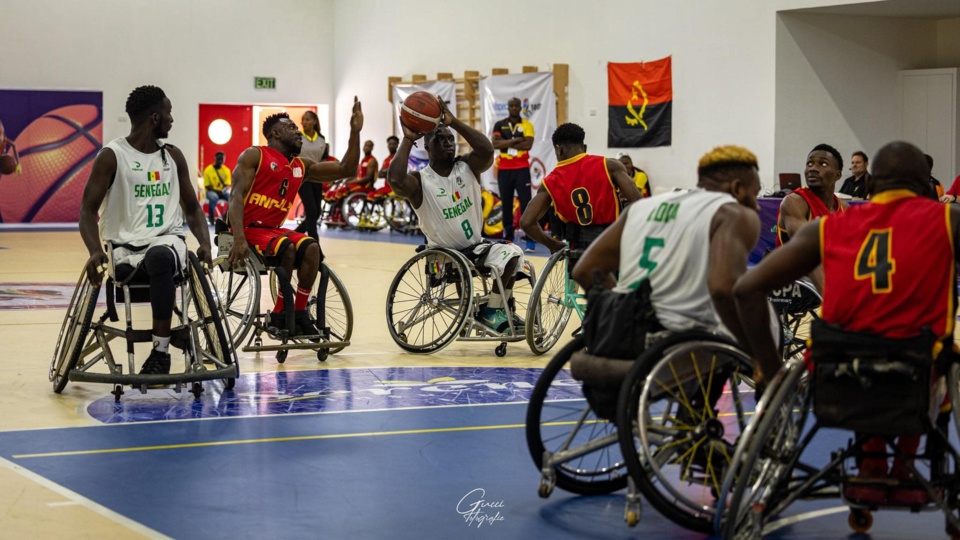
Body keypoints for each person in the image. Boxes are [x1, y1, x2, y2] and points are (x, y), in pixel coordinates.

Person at [733, 141, 957, 505]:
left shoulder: (826, 228)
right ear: (926, 188)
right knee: (932, 360)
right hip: (916, 372)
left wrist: (770, 369)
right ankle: (903, 470)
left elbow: (746, 289)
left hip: (837, 374)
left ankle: (871, 466)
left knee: (866, 361)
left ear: (869, 185)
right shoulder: (947, 220)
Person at [572, 145, 763, 351]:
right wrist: (759, 356)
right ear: (737, 188)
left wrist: (620, 306)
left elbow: (584, 270)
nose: (758, 206)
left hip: (622, 333)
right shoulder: (733, 214)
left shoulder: (640, 208)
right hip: (680, 338)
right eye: (756, 194)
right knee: (763, 315)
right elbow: (722, 291)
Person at [79, 85, 212, 375]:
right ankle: (166, 341)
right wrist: (94, 251)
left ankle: (160, 351)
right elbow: (87, 211)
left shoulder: (173, 157)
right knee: (154, 258)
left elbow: (192, 208)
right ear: (155, 117)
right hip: (123, 250)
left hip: (166, 242)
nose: (172, 119)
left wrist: (204, 243)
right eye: (169, 113)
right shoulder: (112, 156)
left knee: (160, 256)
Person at [226, 98, 363, 337]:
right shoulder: (255, 155)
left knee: (312, 247)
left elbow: (346, 170)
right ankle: (280, 313)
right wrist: (238, 238)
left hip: (273, 231)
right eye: (291, 128)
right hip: (247, 229)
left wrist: (355, 132)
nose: (298, 132)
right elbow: (236, 196)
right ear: (276, 133)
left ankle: (299, 312)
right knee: (286, 247)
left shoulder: (301, 166)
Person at [388, 96, 524, 331]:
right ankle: (492, 311)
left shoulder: (467, 166)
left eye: (450, 139)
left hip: (475, 249)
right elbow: (395, 180)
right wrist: (409, 139)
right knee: (509, 254)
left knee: (516, 255)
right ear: (427, 146)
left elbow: (487, 150)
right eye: (440, 139)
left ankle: (500, 308)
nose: (448, 143)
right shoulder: (420, 180)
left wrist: (454, 123)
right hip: (444, 256)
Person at [520, 123, 641, 257]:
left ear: (559, 150)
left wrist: (552, 244)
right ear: (584, 147)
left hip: (577, 249)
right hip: (611, 243)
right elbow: (640, 203)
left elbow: (526, 222)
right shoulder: (610, 165)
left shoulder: (550, 182)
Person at [775, 143, 848, 290]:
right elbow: (807, 255)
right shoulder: (795, 202)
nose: (813, 168)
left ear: (837, 175)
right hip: (795, 286)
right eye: (809, 164)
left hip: (828, 279)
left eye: (823, 164)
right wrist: (831, 299)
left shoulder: (844, 209)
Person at [491, 97, 534, 244]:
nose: (514, 108)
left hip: (522, 168)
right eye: (512, 106)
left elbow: (528, 145)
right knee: (506, 203)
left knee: (526, 202)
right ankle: (508, 236)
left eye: (517, 106)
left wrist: (505, 143)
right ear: (508, 107)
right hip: (504, 169)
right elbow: (495, 144)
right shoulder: (499, 124)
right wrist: (516, 140)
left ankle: (529, 235)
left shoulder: (527, 124)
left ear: (520, 107)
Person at [293, 110, 327, 240]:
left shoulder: (321, 139)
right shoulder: (297, 137)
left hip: (317, 177)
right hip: (302, 177)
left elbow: (323, 160)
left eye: (307, 119)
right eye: (303, 119)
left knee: (316, 213)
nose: (304, 122)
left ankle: (293, 234)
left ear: (314, 121)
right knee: (311, 211)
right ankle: (315, 243)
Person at [202, 151, 231, 224]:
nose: (220, 161)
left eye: (222, 159)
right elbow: (207, 186)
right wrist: (218, 192)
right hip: (211, 191)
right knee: (214, 197)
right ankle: (212, 218)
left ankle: (226, 216)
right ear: (215, 159)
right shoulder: (208, 170)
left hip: (222, 192)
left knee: (231, 198)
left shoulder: (226, 170)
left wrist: (223, 191)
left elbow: (227, 185)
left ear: (224, 159)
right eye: (219, 159)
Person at [369, 135, 399, 201]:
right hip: (386, 186)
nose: (391, 146)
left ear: (397, 145)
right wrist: (387, 171)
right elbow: (379, 175)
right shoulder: (386, 159)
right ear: (387, 145)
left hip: (396, 187)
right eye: (390, 144)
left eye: (394, 144)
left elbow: (396, 171)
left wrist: (386, 171)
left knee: (378, 197)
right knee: (370, 195)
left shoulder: (399, 157)